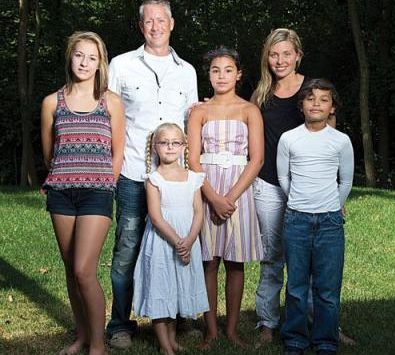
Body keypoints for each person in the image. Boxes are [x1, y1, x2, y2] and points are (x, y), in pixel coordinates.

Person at [251, 28, 355, 347]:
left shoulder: (312, 91)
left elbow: (330, 144)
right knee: (273, 258)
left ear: (298, 54)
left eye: (286, 53)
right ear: (267, 58)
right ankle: (268, 323)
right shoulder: (260, 93)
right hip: (270, 184)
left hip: (312, 193)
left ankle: (321, 324)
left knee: (314, 263)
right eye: (273, 53)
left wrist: (331, 196)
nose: (280, 60)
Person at [105, 0, 199, 349]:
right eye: (149, 21)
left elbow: (192, 123)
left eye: (161, 20)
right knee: (127, 249)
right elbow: (110, 117)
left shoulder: (186, 71)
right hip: (133, 173)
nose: (155, 26)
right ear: (140, 25)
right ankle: (120, 324)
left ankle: (178, 315)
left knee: (177, 245)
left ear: (172, 24)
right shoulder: (122, 65)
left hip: (174, 179)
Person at [41, 31, 125, 355]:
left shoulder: (111, 101)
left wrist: (108, 183)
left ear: (100, 62)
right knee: (69, 269)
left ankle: (98, 346)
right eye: (79, 55)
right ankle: (81, 336)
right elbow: (50, 153)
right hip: (61, 193)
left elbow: (117, 151)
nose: (85, 62)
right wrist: (65, 172)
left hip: (97, 194)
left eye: (92, 57)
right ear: (70, 57)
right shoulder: (52, 102)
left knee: (83, 270)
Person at [187, 46, 264, 348]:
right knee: (209, 260)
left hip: (238, 190)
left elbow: (256, 159)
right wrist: (212, 197)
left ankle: (231, 329)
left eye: (228, 70)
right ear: (208, 75)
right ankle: (211, 330)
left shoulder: (249, 110)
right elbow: (193, 159)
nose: (221, 75)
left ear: (239, 74)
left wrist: (229, 197)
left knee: (235, 261)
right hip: (206, 188)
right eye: (215, 70)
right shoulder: (199, 112)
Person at [277, 78, 354, 355]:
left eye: (324, 99)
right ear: (302, 105)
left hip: (330, 223)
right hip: (296, 219)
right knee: (296, 285)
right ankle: (295, 340)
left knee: (327, 288)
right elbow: (284, 177)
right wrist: (298, 201)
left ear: (332, 107)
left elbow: (345, 181)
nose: (316, 104)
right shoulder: (290, 138)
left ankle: (325, 341)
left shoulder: (341, 141)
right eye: (311, 99)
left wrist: (334, 204)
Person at [133, 122, 209, 355]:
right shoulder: (153, 179)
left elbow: (198, 212)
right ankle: (165, 346)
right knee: (161, 287)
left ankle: (173, 339)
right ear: (155, 147)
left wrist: (189, 240)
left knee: (176, 289)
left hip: (188, 240)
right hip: (162, 242)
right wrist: (177, 242)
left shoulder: (193, 177)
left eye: (175, 142)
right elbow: (155, 217)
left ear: (184, 146)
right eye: (164, 142)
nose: (170, 147)